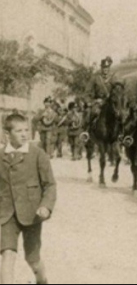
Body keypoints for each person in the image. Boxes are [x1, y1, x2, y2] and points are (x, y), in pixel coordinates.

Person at [0, 114, 56, 285]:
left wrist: (46, 206)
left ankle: (42, 280)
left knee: (32, 258)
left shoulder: (38, 154)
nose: (24, 134)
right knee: (7, 254)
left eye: (26, 130)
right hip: (6, 214)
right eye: (19, 131)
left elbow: (50, 185)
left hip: (32, 214)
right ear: (7, 134)